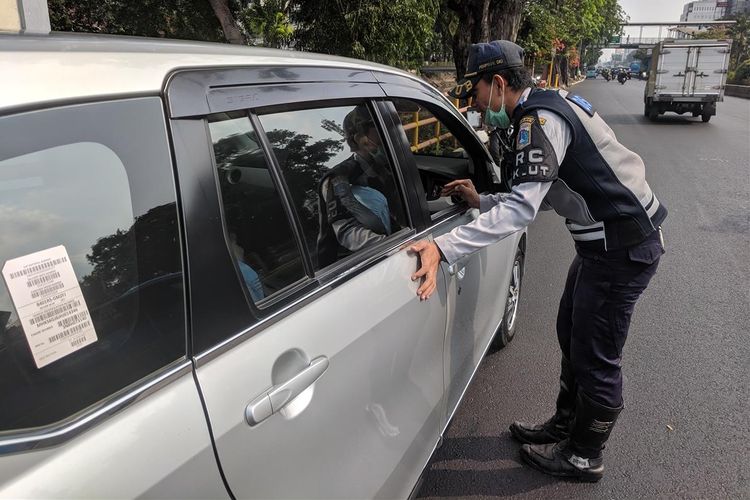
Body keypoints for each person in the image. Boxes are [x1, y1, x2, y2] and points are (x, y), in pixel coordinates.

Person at [409, 40, 667, 482]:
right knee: (571, 331)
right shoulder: (548, 106)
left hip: (621, 248)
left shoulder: (540, 120)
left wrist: (444, 246)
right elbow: (548, 191)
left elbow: (524, 208)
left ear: (500, 84)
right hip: (603, 245)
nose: (474, 102)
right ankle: (566, 425)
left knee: (596, 353)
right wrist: (483, 199)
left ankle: (585, 456)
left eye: (476, 91)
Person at [317, 105, 400, 266]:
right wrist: (393, 246)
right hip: (351, 266)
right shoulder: (339, 178)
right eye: (379, 129)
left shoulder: (382, 165)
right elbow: (347, 231)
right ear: (360, 139)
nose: (387, 134)